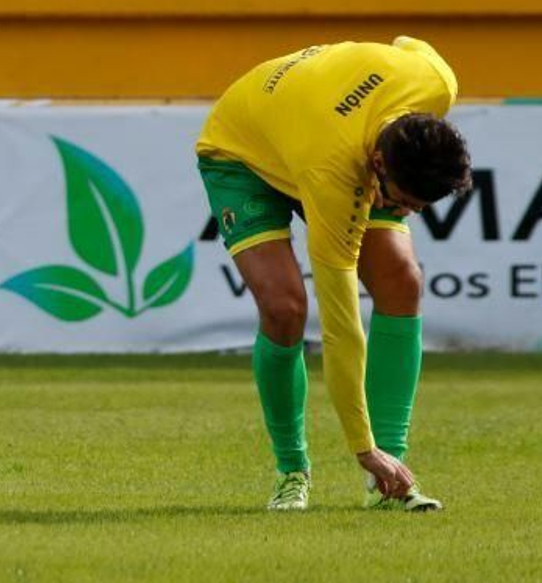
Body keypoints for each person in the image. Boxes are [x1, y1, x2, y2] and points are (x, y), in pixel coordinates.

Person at [196, 36, 472, 511]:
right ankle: (291, 472)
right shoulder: (333, 174)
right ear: (378, 164)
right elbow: (342, 328)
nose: (406, 214)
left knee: (402, 281)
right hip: (243, 150)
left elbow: (409, 42)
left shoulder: (437, 82)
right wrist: (362, 448)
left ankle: (391, 480)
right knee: (285, 309)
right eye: (403, 202)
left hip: (309, 115)